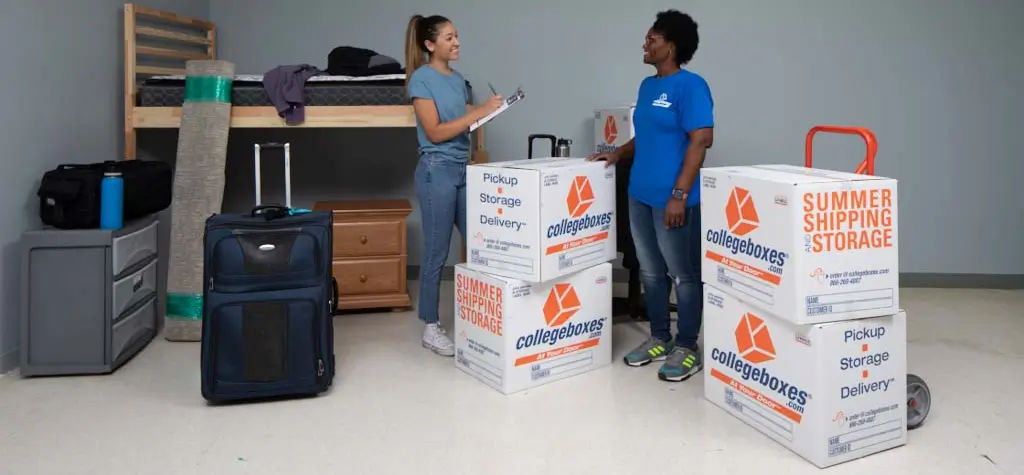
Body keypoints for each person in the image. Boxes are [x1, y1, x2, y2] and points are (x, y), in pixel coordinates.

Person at [587, 10, 714, 382]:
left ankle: (687, 346)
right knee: (650, 272)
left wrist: (679, 193)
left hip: (672, 201)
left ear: (670, 46)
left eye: (651, 39)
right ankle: (660, 336)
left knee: (684, 276)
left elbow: (701, 140)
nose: (645, 44)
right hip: (639, 195)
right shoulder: (647, 86)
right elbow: (649, 136)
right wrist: (617, 153)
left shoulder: (691, 87)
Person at [404, 14, 503, 356]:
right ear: (430, 45)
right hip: (437, 170)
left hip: (462, 168)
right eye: (449, 37)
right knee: (436, 251)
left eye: (457, 36)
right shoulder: (421, 80)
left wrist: (490, 110)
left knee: (480, 243)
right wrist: (477, 113)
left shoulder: (459, 79)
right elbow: (436, 131)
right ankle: (431, 326)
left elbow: (463, 123)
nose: (456, 42)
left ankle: (482, 319)